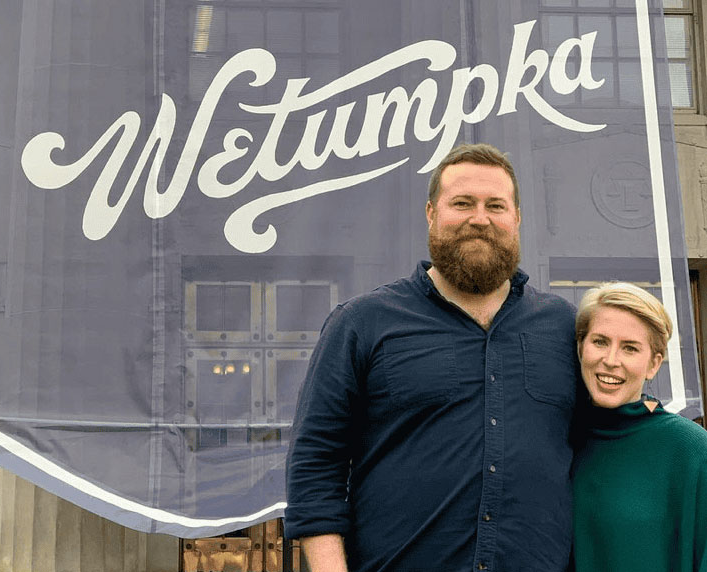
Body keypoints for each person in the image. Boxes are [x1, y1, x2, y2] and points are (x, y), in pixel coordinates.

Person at [285, 143, 581, 572]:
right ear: (431, 213)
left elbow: (610, 438)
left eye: (495, 205)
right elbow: (316, 464)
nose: (479, 218)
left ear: (516, 218)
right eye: (462, 203)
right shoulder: (363, 323)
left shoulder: (563, 327)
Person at [573, 282, 707, 572]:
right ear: (580, 347)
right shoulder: (557, 438)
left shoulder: (690, 448)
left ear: (654, 364)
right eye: (600, 342)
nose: (610, 360)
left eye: (630, 348)